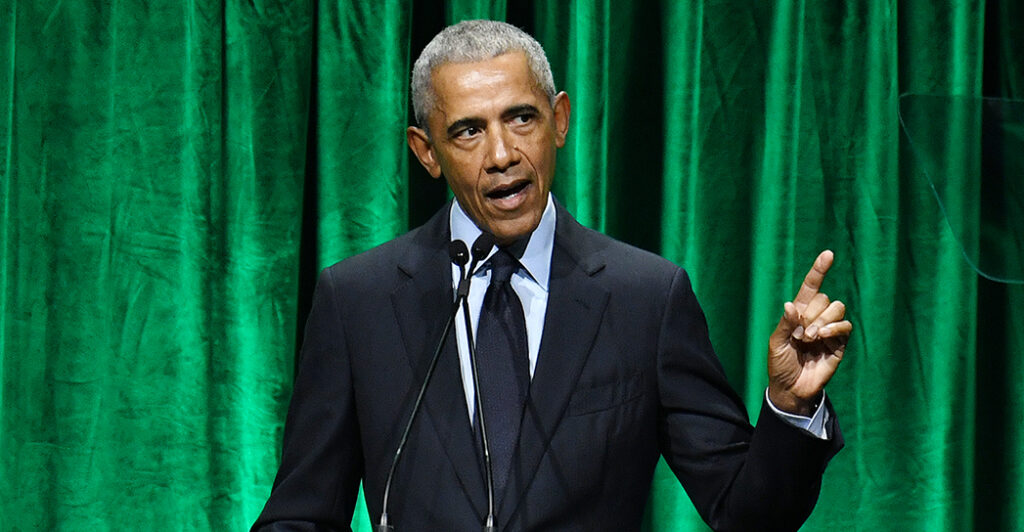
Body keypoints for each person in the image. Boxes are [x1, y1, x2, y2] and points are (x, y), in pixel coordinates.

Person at [252, 20, 851, 532]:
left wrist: (789, 405)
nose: (502, 154)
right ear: (426, 151)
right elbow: (301, 514)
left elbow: (748, 515)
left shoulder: (645, 297)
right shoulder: (359, 300)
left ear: (559, 120)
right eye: (467, 130)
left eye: (521, 118)